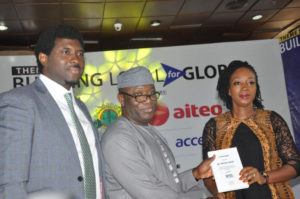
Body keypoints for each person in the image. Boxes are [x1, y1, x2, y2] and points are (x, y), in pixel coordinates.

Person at [0, 24, 106, 199]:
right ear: (43, 57)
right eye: (66, 52)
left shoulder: (81, 107)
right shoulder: (20, 102)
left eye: (80, 54)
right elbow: (10, 181)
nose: (76, 59)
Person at [101, 66, 216, 199]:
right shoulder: (118, 138)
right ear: (122, 99)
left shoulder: (147, 129)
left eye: (151, 94)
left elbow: (170, 186)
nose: (148, 101)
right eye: (139, 96)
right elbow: (151, 194)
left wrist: (195, 174)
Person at [202, 60, 300, 199]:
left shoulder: (272, 119)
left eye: (251, 82)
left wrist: (263, 177)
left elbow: (295, 164)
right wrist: (218, 194)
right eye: (237, 83)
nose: (245, 88)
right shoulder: (214, 126)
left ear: (256, 87)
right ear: (228, 90)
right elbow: (208, 174)